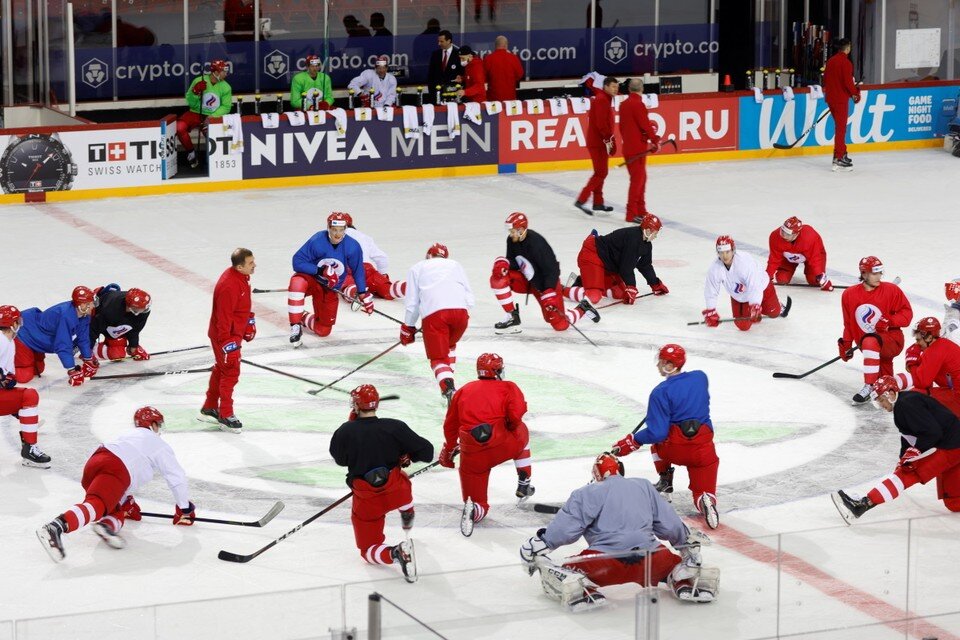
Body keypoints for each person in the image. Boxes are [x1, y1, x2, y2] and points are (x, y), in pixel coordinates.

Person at [520, 453, 719, 611]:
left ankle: (583, 590)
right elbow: (669, 524)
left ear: (596, 474)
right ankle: (683, 579)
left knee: (566, 569)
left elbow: (566, 529)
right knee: (671, 565)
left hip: (605, 564)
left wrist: (542, 542)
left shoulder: (586, 493)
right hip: (652, 559)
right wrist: (685, 544)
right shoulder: (644, 486)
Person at [36, 406, 195, 562]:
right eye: (157, 424)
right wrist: (184, 509)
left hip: (95, 463)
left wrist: (125, 502)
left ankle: (106, 526)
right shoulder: (157, 443)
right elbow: (176, 477)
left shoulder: (128, 434)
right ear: (151, 424)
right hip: (116, 469)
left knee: (115, 509)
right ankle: (56, 526)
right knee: (97, 505)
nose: (158, 428)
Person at [328, 384, 433, 582]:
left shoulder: (345, 431)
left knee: (367, 550)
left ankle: (395, 553)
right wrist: (407, 455)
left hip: (368, 501)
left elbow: (341, 460)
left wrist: (351, 426)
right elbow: (427, 452)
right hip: (397, 492)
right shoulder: (395, 427)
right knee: (402, 483)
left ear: (356, 406)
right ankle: (407, 512)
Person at [609, 344, 720, 529]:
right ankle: (705, 499)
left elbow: (657, 432)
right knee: (703, 486)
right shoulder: (700, 377)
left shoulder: (660, 392)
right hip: (703, 450)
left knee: (657, 444)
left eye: (661, 362)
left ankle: (665, 480)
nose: (658, 365)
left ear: (669, 365)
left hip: (674, 450)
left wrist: (632, 441)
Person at [832, 376, 960, 524]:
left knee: (908, 473)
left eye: (881, 400)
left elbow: (933, 432)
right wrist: (903, 458)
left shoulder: (907, 404)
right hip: (953, 442)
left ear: (891, 393)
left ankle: (863, 504)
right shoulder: (902, 406)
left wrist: (915, 452)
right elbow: (908, 438)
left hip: (951, 446)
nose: (881, 405)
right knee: (954, 502)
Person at [441, 353, 533, 536]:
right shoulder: (509, 387)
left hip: (473, 454)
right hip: (503, 444)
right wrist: (509, 427)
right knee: (522, 432)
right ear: (497, 370)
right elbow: (516, 417)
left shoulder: (464, 390)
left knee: (477, 501)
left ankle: (475, 510)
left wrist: (449, 450)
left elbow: (450, 426)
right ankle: (524, 480)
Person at [491, 211, 599, 334]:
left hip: (545, 285)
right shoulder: (512, 240)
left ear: (521, 230)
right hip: (528, 281)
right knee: (499, 278)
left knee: (560, 325)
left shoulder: (537, 244)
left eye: (512, 231)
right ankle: (512, 317)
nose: (510, 234)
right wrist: (504, 263)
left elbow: (552, 270)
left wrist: (549, 293)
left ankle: (583, 308)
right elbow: (514, 261)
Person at [400, 244, 473, 403]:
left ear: (428, 255)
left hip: (435, 316)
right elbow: (469, 296)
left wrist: (408, 327)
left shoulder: (417, 267)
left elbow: (412, 303)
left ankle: (449, 388)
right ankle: (449, 381)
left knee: (438, 358)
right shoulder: (455, 265)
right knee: (449, 345)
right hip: (461, 313)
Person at [288, 212, 373, 347]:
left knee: (323, 331)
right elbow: (297, 261)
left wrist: (362, 293)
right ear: (328, 228)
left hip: (331, 289)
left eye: (341, 230)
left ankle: (302, 316)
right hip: (312, 281)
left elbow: (358, 270)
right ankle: (295, 325)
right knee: (297, 282)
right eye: (334, 230)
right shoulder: (317, 241)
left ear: (345, 229)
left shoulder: (352, 246)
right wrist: (320, 270)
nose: (337, 234)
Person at [838, 256, 912, 403]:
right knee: (885, 386)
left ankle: (869, 385)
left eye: (880, 273)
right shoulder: (848, 295)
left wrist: (889, 321)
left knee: (870, 340)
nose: (878, 276)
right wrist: (846, 344)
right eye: (874, 273)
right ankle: (905, 380)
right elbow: (849, 324)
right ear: (863, 273)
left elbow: (907, 314)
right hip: (868, 345)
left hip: (891, 340)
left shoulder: (891, 290)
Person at [201, 248, 256, 433]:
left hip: (233, 333)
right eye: (250, 263)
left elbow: (241, 307)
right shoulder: (229, 285)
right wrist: (227, 344)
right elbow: (223, 318)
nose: (254, 265)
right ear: (239, 267)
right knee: (231, 372)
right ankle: (225, 414)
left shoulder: (241, 277)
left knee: (222, 369)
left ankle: (210, 407)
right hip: (225, 336)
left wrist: (249, 322)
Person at [563, 214, 669, 306]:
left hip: (608, 264)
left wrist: (655, 284)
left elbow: (645, 265)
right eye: (654, 232)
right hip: (593, 255)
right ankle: (560, 289)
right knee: (594, 297)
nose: (656, 236)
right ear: (647, 230)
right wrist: (631, 287)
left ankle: (583, 281)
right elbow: (626, 267)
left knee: (619, 293)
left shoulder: (647, 244)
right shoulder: (633, 239)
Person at [702, 235, 791, 332]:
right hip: (739, 295)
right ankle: (756, 309)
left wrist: (755, 305)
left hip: (762, 288)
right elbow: (711, 290)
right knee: (743, 326)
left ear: (733, 250)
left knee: (774, 312)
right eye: (721, 253)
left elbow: (754, 285)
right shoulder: (715, 268)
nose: (725, 256)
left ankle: (777, 306)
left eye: (727, 252)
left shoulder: (744, 263)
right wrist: (711, 310)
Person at [14, 286, 98, 387]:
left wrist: (88, 359)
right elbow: (63, 345)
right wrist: (72, 370)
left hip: (38, 338)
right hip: (24, 334)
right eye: (92, 303)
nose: (94, 306)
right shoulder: (66, 316)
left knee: (38, 369)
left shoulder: (84, 315)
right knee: (24, 376)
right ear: (83, 305)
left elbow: (83, 339)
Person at [0, 305, 49, 468]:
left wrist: (8, 379)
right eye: (18, 321)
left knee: (21, 397)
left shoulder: (9, 342)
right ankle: (29, 448)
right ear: (13, 323)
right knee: (29, 396)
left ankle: (27, 423)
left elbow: (8, 376)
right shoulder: (2, 340)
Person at [574, 76, 619, 216]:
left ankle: (598, 202)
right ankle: (582, 199)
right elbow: (601, 124)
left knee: (600, 172)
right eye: (613, 86)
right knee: (601, 173)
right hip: (597, 142)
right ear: (605, 87)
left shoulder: (605, 99)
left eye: (617, 87)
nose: (615, 89)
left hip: (600, 142)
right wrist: (609, 139)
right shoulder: (601, 100)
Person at [897, 317, 960, 416]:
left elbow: (921, 383)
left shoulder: (934, 351)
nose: (917, 344)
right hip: (955, 392)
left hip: (957, 397)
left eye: (918, 340)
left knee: (913, 397)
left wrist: (912, 363)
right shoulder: (941, 345)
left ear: (929, 338)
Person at [619, 78, 661, 223]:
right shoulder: (638, 104)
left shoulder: (623, 105)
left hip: (629, 147)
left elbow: (623, 127)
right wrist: (655, 140)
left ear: (629, 89)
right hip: (637, 149)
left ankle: (641, 210)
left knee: (640, 179)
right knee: (637, 181)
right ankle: (631, 213)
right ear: (642, 89)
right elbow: (645, 125)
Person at [339, 212, 406, 301]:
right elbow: (382, 257)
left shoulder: (332, 237)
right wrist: (382, 275)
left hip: (346, 267)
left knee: (347, 280)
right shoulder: (365, 237)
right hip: (366, 268)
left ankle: (353, 291)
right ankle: (398, 288)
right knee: (380, 284)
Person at [179, 59, 232, 169]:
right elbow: (190, 102)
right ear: (216, 72)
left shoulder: (226, 87)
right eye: (223, 71)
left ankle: (211, 162)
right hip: (195, 112)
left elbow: (226, 107)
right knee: (179, 127)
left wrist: (212, 116)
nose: (226, 74)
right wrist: (195, 92)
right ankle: (191, 153)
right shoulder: (199, 80)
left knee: (211, 133)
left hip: (212, 115)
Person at [823, 38, 861, 171]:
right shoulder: (846, 63)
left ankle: (842, 153)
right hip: (840, 100)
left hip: (831, 99)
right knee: (841, 129)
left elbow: (826, 79)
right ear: (847, 48)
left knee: (840, 128)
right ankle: (838, 158)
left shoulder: (830, 61)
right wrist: (855, 93)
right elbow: (848, 83)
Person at [766, 216, 832, 291]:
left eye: (788, 235)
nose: (784, 236)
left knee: (814, 281)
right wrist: (768, 276)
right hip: (788, 259)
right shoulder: (775, 236)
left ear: (797, 234)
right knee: (782, 279)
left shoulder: (809, 237)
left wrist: (821, 277)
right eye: (783, 232)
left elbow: (815, 258)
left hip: (811, 256)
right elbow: (774, 258)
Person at [89, 285, 152, 362]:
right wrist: (88, 354)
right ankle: (89, 349)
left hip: (113, 324)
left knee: (117, 353)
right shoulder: (109, 312)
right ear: (132, 308)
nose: (146, 310)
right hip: (97, 320)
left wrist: (133, 345)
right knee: (88, 345)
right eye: (143, 308)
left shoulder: (142, 311)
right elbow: (93, 330)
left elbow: (135, 327)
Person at [483, 36, 523, 101]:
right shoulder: (513, 58)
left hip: (493, 98)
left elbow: (483, 77)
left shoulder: (488, 59)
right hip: (510, 98)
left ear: (495, 45)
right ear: (506, 45)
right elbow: (519, 74)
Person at [427, 30, 461, 99]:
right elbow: (431, 75)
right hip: (437, 94)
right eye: (438, 41)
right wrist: (432, 93)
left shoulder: (458, 54)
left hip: (453, 94)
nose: (439, 44)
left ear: (449, 41)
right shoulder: (435, 54)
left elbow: (460, 74)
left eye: (441, 41)